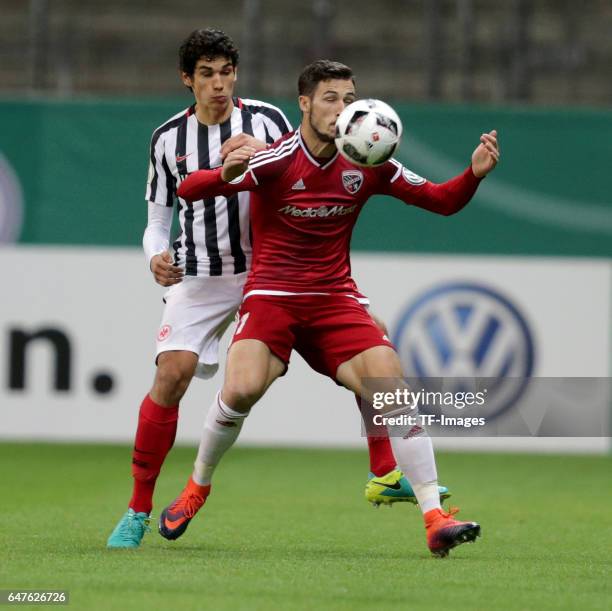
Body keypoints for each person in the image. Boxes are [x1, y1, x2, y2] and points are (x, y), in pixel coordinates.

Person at [106, 31, 444, 550]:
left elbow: (308, 165)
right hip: (201, 274)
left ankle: (383, 470)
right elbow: (159, 217)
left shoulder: (266, 119)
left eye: (226, 72)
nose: (218, 84)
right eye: (207, 74)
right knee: (172, 375)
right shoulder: (167, 138)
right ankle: (137, 509)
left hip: (272, 271)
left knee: (374, 332)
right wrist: (153, 253)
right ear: (187, 80)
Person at [159, 60, 499, 557]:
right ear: (305, 103)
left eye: (349, 98)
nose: (343, 108)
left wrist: (473, 173)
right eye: (331, 98)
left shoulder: (368, 159)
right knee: (242, 389)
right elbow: (187, 191)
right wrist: (223, 173)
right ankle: (197, 487)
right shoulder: (273, 159)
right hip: (272, 295)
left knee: (391, 387)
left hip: (334, 298)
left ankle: (434, 517)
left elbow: (441, 201)